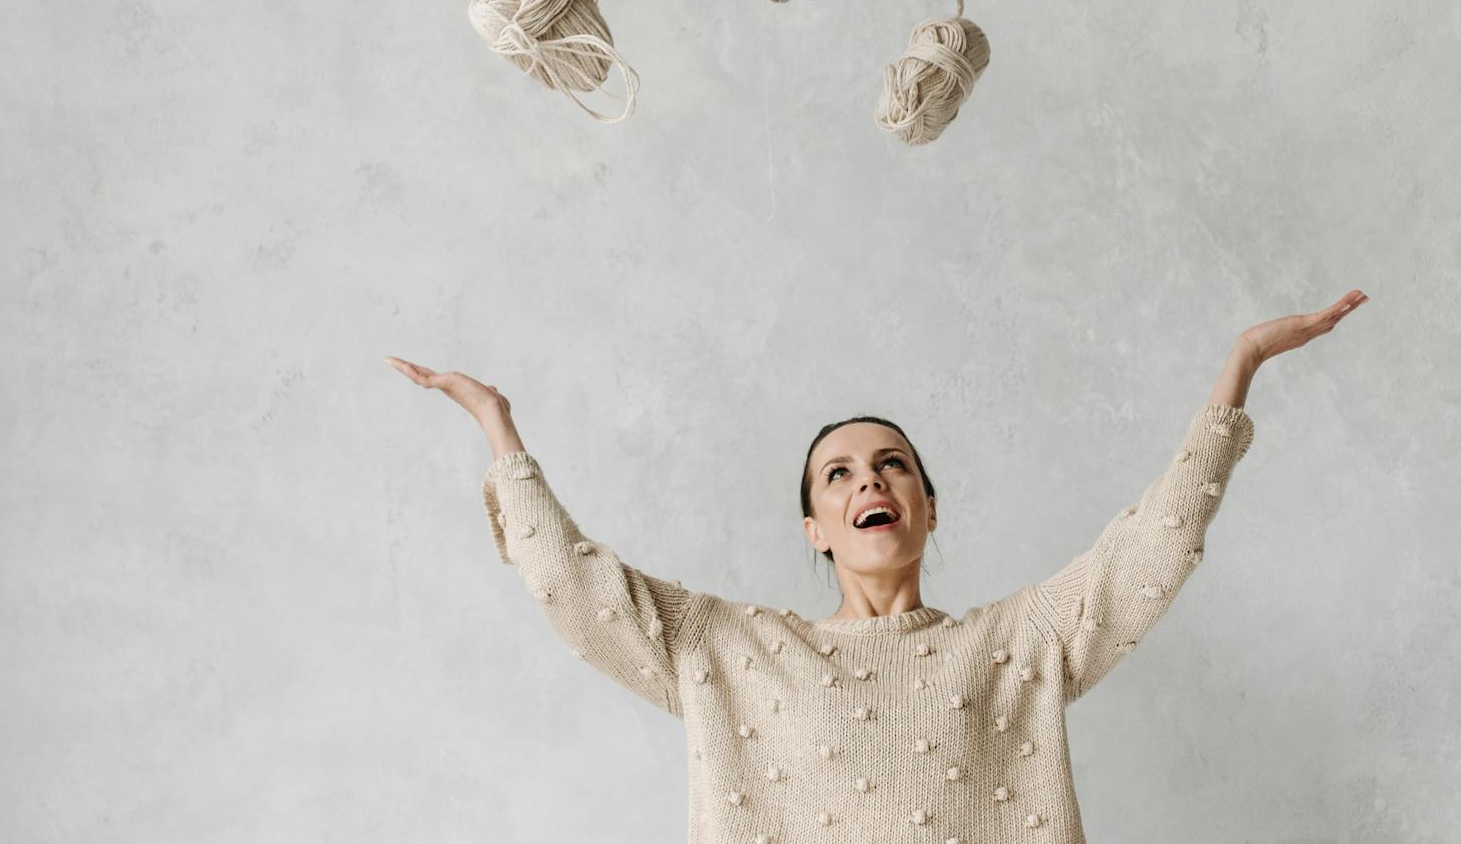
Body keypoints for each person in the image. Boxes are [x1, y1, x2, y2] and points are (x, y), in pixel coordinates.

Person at [388, 289, 1366, 841]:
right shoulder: (724, 647)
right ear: (815, 524)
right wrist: (496, 426)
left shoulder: (1017, 640)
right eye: (840, 472)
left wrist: (1236, 369)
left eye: (892, 463)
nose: (871, 480)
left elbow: (1150, 546)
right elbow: (572, 583)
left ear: (925, 505)